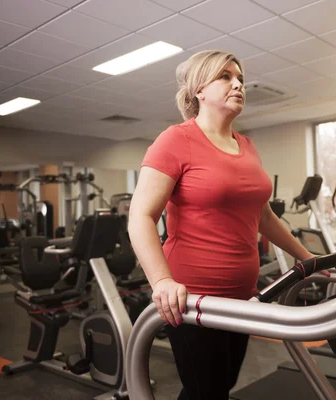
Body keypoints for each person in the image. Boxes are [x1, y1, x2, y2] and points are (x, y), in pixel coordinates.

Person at [128, 50, 315, 400]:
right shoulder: (176, 140)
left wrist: (310, 258)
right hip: (193, 297)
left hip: (242, 296)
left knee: (220, 386)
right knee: (207, 391)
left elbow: (263, 216)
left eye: (240, 77)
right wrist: (162, 281)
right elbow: (140, 216)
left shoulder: (246, 145)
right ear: (200, 89)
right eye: (226, 76)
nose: (238, 84)